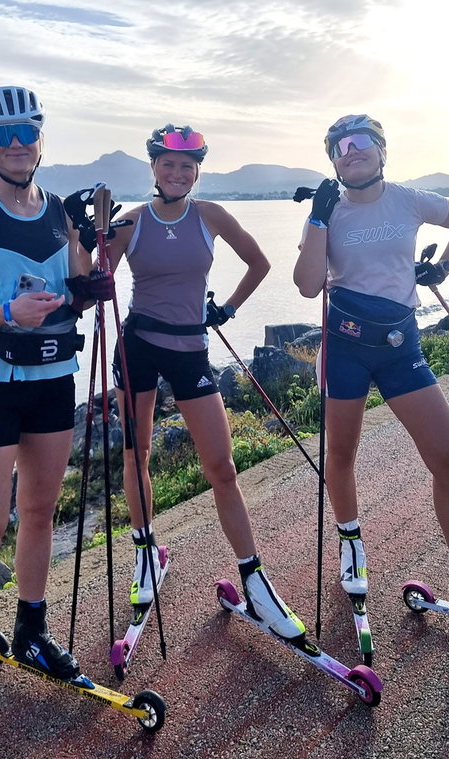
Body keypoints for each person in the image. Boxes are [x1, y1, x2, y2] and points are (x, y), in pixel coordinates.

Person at [293, 114, 449, 625]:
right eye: (338, 147)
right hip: (345, 348)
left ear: (382, 151)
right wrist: (317, 219)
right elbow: (308, 284)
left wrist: (443, 268)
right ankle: (351, 545)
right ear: (332, 159)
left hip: (402, 345)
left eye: (360, 143)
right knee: (341, 454)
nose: (349, 151)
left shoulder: (409, 199)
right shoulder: (328, 210)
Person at [0, 85, 109, 759]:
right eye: (1, 134)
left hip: (51, 382)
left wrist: (91, 263)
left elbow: (79, 286)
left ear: (40, 137)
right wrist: (6, 315)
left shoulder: (61, 209)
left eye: (26, 131)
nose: (15, 144)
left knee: (40, 515)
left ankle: (31, 631)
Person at [104, 124, 310, 645]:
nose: (177, 173)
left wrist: (228, 309)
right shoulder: (128, 221)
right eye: (167, 164)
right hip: (139, 347)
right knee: (137, 453)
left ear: (197, 171)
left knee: (221, 466)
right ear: (153, 167)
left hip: (191, 348)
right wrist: (90, 238)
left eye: (187, 166)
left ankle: (254, 577)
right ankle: (146, 550)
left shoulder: (210, 215)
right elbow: (92, 283)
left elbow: (260, 262)